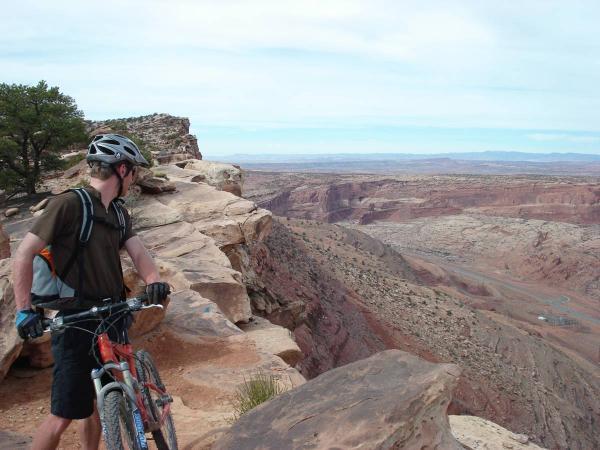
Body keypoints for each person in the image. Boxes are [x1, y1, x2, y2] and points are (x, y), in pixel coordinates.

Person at [12, 134, 170, 450]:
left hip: (113, 314)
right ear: (122, 170)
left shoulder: (118, 213)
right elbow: (24, 253)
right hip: (74, 320)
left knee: (103, 399)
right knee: (63, 414)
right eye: (134, 171)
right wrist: (24, 309)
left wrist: (153, 280)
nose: (135, 178)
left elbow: (138, 253)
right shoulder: (68, 204)